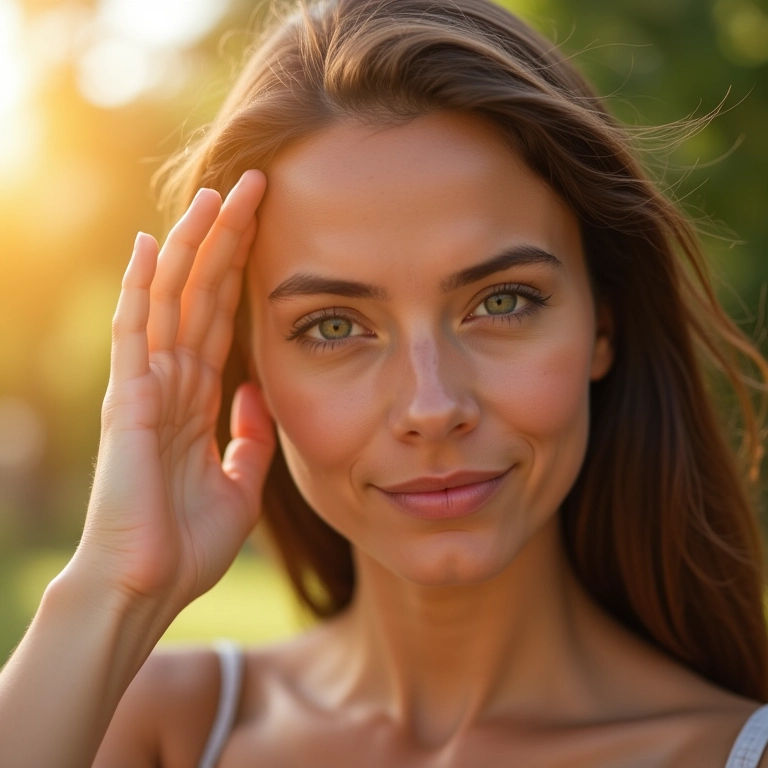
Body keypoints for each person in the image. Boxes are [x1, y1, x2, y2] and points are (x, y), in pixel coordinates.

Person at [1, 0, 768, 765]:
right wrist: (114, 590)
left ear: (603, 323)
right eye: (334, 326)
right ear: (249, 362)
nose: (432, 407)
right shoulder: (158, 729)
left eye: (502, 302)